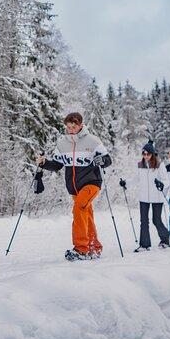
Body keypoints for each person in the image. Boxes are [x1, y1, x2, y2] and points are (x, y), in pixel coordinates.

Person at [36, 112, 112, 261]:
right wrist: (44, 163)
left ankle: (81, 249)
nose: (71, 129)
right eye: (68, 127)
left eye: (74, 126)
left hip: (92, 183)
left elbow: (108, 160)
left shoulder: (92, 141)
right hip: (74, 188)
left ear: (81, 125)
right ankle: (94, 247)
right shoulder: (62, 143)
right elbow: (57, 165)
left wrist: (100, 160)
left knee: (78, 208)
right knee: (85, 215)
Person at [135, 140, 170, 252]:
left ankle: (166, 238)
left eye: (148, 154)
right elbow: (136, 179)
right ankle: (144, 245)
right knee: (144, 221)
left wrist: (162, 184)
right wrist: (125, 183)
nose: (146, 156)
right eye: (144, 154)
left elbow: (167, 181)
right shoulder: (140, 165)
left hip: (157, 197)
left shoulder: (159, 165)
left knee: (156, 220)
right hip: (144, 197)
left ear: (152, 154)